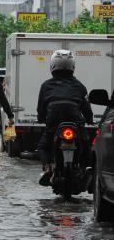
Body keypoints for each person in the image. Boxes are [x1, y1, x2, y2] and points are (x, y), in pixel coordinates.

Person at [36, 50, 93, 186]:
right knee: (87, 146)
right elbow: (86, 109)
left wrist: (41, 118)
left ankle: (48, 169)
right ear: (72, 66)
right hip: (76, 122)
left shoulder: (46, 86)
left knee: (42, 147)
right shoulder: (80, 86)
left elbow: (41, 108)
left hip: (53, 122)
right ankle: (85, 170)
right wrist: (90, 120)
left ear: (52, 66)